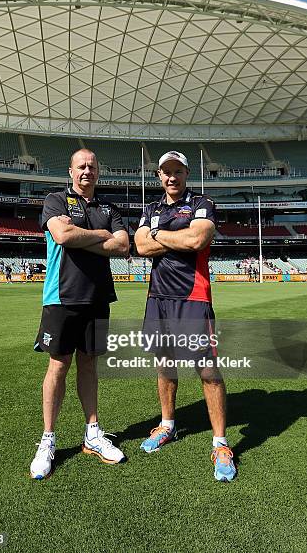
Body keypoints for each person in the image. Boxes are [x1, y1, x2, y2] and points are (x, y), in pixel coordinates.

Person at [134, 151, 236, 482]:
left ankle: (220, 443)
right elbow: (139, 247)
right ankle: (167, 425)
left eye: (177, 171)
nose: (171, 177)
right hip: (158, 298)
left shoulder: (202, 203)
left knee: (207, 370)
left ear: (186, 173)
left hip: (193, 297)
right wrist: (171, 238)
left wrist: (158, 236)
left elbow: (197, 238)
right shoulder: (151, 209)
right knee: (165, 364)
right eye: (166, 172)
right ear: (159, 176)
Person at [30, 148, 129, 479]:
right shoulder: (55, 200)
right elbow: (62, 234)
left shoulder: (110, 208)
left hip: (98, 298)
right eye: (81, 166)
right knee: (58, 366)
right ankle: (48, 440)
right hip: (62, 297)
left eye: (92, 166)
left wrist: (83, 237)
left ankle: (92, 433)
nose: (87, 170)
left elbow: (122, 245)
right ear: (71, 171)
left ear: (98, 171)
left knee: (89, 365)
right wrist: (101, 236)